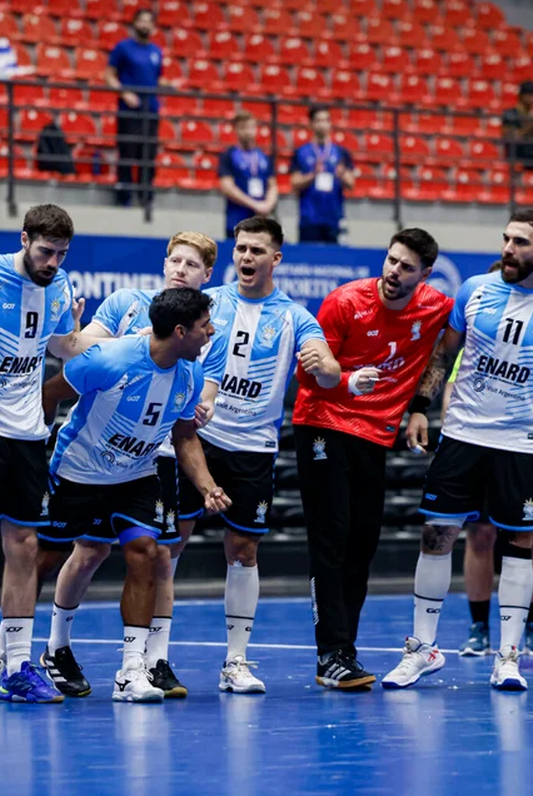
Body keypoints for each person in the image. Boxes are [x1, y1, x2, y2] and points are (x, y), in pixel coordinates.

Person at [384, 209, 533, 693]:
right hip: (462, 435)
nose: (508, 249)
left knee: (519, 545)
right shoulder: (474, 290)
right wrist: (420, 407)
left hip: (519, 444)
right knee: (437, 535)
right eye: (506, 239)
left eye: (521, 242)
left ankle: (509, 657)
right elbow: (444, 354)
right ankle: (422, 648)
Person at [36, 232, 216, 700]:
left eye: (191, 263)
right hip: (80, 468)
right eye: (174, 260)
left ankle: (136, 667)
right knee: (56, 557)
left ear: (206, 275)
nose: (180, 268)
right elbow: (58, 382)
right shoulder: (119, 335)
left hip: (142, 469)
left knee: (149, 553)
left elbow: (185, 433)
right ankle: (15, 651)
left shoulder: (192, 363)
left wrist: (207, 485)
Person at [0, 205, 104, 705]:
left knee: (25, 547)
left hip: (27, 433)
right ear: (24, 240)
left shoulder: (59, 286)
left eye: (61, 254)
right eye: (45, 251)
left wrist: (104, 338)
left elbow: (63, 347)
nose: (53, 262)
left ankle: (16, 666)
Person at [292, 228, 452, 689]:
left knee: (362, 544)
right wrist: (345, 380)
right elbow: (306, 376)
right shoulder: (344, 302)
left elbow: (462, 330)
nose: (394, 271)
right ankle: (330, 654)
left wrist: (419, 407)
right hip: (323, 424)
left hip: (375, 436)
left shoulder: (436, 307)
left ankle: (346, 650)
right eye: (391, 260)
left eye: (406, 267)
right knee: (332, 539)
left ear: (425, 274)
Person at [193, 216, 342, 694]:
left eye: (256, 250)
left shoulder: (294, 316)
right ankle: (151, 659)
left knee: (244, 550)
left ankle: (235, 661)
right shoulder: (210, 303)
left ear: (275, 259)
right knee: (166, 545)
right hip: (197, 437)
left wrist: (325, 365)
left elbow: (328, 371)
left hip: (253, 448)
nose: (246, 257)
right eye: (241, 248)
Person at [450, 259, 533, 659]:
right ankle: (478, 627)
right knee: (479, 535)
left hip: (523, 450)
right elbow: (451, 396)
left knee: (529, 539)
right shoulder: (472, 348)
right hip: (476, 446)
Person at [105, 8, 162, 209]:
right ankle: (124, 198)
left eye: (149, 21)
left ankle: (146, 199)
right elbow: (109, 76)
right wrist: (125, 93)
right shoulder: (123, 48)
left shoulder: (157, 51)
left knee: (148, 155)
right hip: (129, 111)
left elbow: (156, 79)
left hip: (151, 111)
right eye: (141, 21)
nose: (145, 25)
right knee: (127, 153)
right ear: (135, 23)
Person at [289, 106, 355, 243]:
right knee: (308, 255)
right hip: (309, 218)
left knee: (335, 256)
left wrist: (342, 174)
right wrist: (313, 175)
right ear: (311, 124)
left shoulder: (340, 152)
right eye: (318, 120)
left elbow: (351, 184)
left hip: (334, 217)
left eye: (325, 120)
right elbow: (294, 184)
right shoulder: (301, 152)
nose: (322, 124)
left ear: (330, 123)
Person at [219, 111, 276, 238]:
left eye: (251, 127)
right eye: (243, 128)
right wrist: (255, 204)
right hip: (237, 218)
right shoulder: (228, 155)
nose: (247, 132)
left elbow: (272, 185)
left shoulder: (264, 156)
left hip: (261, 219)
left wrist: (268, 205)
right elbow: (227, 187)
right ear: (236, 130)